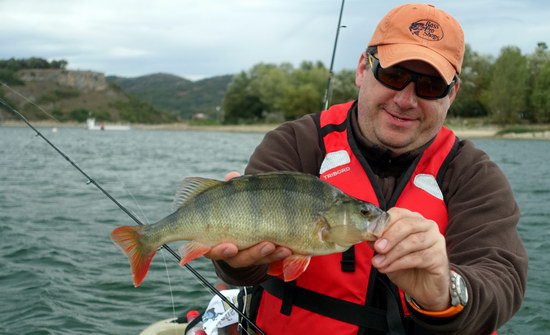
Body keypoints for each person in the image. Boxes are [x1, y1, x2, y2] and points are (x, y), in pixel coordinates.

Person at [206, 4, 528, 334]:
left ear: (452, 95)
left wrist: (444, 290)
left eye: (431, 86)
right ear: (363, 69)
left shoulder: (473, 175)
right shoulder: (296, 143)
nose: (406, 99)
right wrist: (235, 261)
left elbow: (502, 280)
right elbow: (238, 269)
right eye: (393, 75)